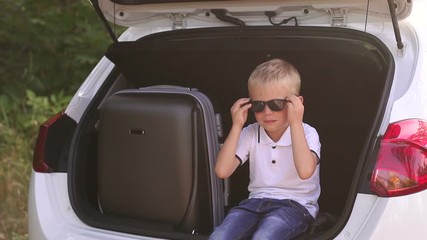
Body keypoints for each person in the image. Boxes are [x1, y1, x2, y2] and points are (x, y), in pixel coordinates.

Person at [209, 58, 321, 240]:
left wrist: (295, 122)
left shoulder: (307, 133)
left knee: (263, 237)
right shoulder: (251, 132)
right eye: (258, 106)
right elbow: (222, 170)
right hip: (253, 204)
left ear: (296, 103)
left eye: (276, 104)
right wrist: (237, 125)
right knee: (219, 236)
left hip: (295, 206)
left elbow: (305, 170)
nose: (267, 112)